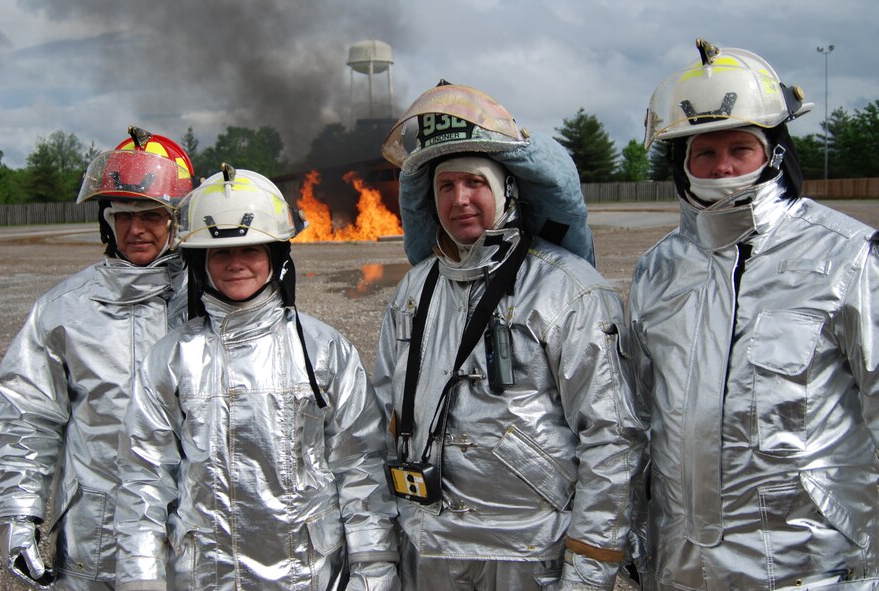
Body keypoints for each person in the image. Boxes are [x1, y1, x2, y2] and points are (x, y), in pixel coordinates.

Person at [373, 81, 645, 591]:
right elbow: (381, 419)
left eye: (474, 182)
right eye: (446, 186)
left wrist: (589, 571)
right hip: (427, 550)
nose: (460, 199)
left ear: (507, 190)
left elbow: (612, 439)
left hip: (530, 554)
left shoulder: (570, 290)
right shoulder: (414, 290)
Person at [628, 38, 879, 590]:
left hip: (812, 566)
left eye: (740, 148)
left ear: (775, 152)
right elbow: (640, 418)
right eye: (704, 152)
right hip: (683, 566)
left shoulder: (847, 257)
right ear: (682, 164)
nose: (722, 166)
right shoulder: (657, 271)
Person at [113, 164, 400, 591]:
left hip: (309, 577)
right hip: (204, 578)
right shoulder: (171, 358)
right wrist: (141, 575)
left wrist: (373, 567)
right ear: (201, 262)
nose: (236, 264)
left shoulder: (324, 351)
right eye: (220, 253)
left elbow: (360, 466)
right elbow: (144, 476)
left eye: (250, 250)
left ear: (276, 256)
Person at [0, 126, 195, 590]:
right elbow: (27, 417)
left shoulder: (212, 305)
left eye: (151, 214)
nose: (136, 229)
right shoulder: (62, 311)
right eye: (122, 215)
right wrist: (21, 516)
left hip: (197, 538)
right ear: (107, 221)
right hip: (97, 538)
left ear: (177, 218)